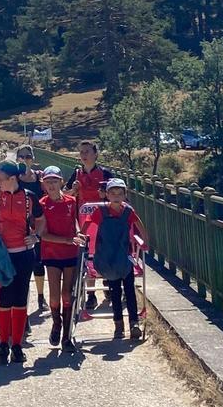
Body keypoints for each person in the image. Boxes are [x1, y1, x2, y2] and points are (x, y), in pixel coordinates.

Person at [0, 160, 45, 365]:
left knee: (19, 299)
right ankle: (2, 344)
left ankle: (16, 345)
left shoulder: (29, 198)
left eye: (0, 179)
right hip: (3, 258)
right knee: (4, 300)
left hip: (24, 255)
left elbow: (41, 221)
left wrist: (36, 237)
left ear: (12, 178)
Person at [84, 178, 147, 341]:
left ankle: (134, 323)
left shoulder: (128, 212)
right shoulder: (101, 212)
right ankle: (119, 324)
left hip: (124, 258)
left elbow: (140, 227)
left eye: (120, 193)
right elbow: (86, 226)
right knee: (115, 292)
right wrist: (80, 237)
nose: (116, 196)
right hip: (106, 259)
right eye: (113, 193)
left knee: (130, 291)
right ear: (107, 195)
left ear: (125, 195)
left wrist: (145, 241)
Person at [38, 166, 83, 352]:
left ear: (61, 182)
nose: (51, 185)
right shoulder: (41, 204)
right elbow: (43, 234)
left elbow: (77, 223)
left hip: (70, 253)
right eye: (48, 181)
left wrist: (80, 234)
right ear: (43, 184)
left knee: (68, 294)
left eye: (55, 181)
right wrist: (66, 240)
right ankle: (56, 323)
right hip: (52, 253)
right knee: (55, 296)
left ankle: (66, 335)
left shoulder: (72, 201)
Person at [65, 140, 113, 311]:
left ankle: (109, 284)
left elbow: (118, 196)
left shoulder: (105, 174)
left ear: (95, 154)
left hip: (105, 221)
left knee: (105, 253)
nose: (84, 155)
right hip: (84, 222)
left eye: (87, 151)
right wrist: (73, 190)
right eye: (81, 152)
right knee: (88, 255)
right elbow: (65, 194)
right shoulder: (76, 174)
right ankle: (91, 295)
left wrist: (105, 194)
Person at [14, 145, 47, 312]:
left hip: (38, 226)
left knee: (39, 263)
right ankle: (22, 303)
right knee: (23, 266)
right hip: (19, 227)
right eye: (21, 156)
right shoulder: (14, 179)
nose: (25, 159)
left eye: (28, 156)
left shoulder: (40, 178)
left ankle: (41, 297)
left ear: (33, 158)